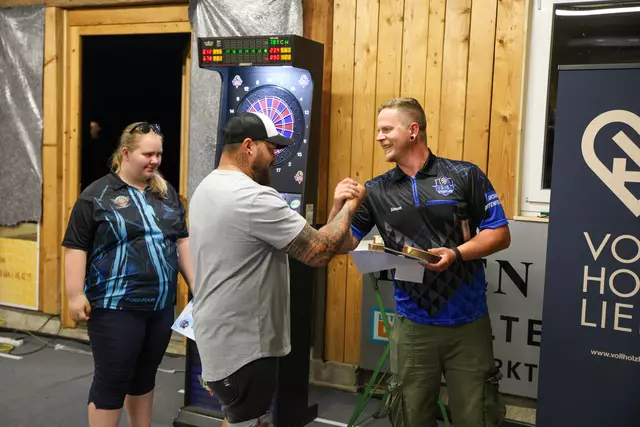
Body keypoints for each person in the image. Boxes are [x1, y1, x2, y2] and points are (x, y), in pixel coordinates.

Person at [330, 98, 511, 427]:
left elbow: (499, 234)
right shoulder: (376, 190)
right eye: (379, 130)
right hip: (413, 324)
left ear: (412, 130)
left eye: (387, 129)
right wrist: (338, 208)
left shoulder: (464, 174)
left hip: (468, 323)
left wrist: (456, 253)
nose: (379, 137)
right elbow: (341, 245)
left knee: (478, 416)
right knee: (410, 416)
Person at [188, 112, 366, 427]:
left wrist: (337, 209)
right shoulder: (251, 197)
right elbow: (319, 251)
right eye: (270, 149)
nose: (274, 158)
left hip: (219, 338)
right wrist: (353, 205)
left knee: (240, 418)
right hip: (245, 348)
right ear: (248, 147)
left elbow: (313, 240)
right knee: (252, 422)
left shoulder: (208, 186)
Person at [62, 122, 194, 427]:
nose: (155, 160)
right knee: (113, 378)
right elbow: (75, 247)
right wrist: (74, 294)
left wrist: (196, 285)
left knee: (145, 376)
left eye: (159, 154)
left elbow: (182, 242)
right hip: (115, 307)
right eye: (148, 154)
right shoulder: (96, 195)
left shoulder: (166, 193)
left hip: (160, 306)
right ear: (125, 153)